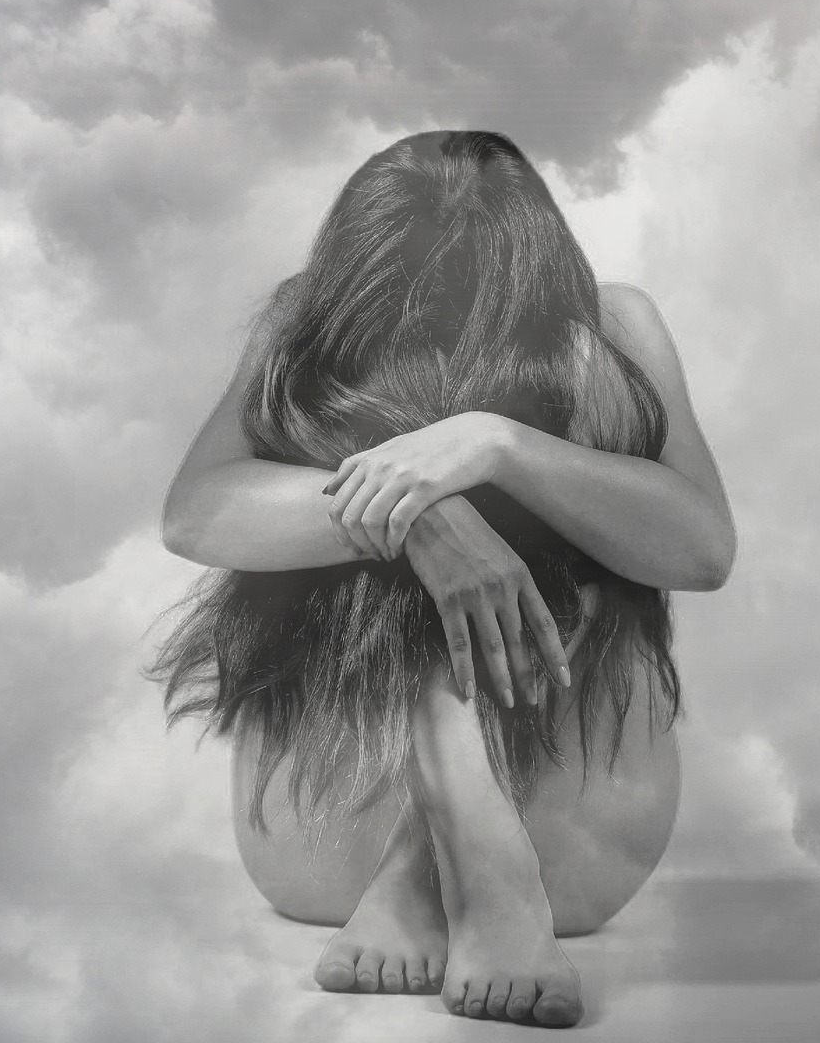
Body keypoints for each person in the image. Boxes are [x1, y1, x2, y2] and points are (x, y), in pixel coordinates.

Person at [152, 131, 734, 1027]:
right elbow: (194, 515)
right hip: (363, 828)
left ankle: (437, 859)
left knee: (582, 465)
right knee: (424, 516)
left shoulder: (610, 331)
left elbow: (701, 550)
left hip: (536, 832)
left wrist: (498, 445)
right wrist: (423, 515)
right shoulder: (299, 324)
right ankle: (475, 845)